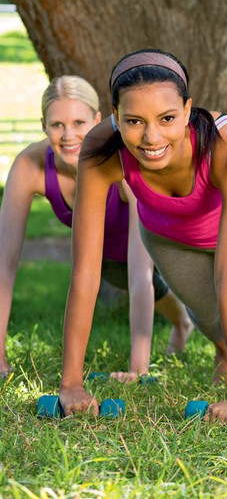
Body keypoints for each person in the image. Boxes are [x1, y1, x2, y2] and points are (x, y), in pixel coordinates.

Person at [58, 50, 227, 422]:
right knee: (204, 310)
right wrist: (71, 383)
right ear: (115, 117)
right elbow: (86, 270)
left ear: (186, 110)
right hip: (171, 232)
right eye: (134, 120)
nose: (151, 137)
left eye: (167, 118)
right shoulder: (101, 151)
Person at [0, 76, 192, 381]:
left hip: (159, 241)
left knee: (157, 281)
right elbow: (4, 264)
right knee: (121, 275)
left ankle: (184, 322)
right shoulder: (30, 166)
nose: (68, 135)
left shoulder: (122, 164)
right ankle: (182, 321)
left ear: (98, 120)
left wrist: (138, 369)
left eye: (79, 122)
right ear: (43, 125)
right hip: (103, 258)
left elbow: (140, 274)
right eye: (57, 125)